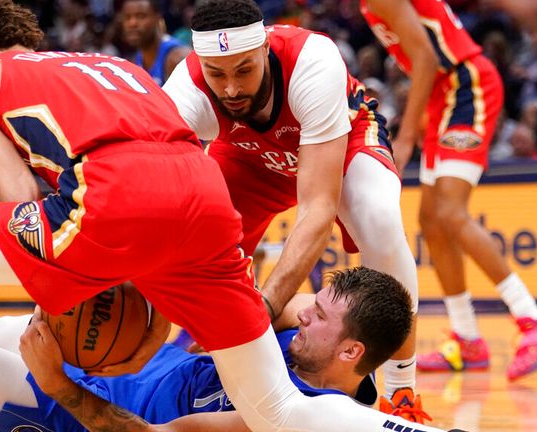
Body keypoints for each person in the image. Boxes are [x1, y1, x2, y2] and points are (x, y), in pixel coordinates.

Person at [0, 1, 449, 431]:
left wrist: (56, 292)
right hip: (203, 194)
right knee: (278, 408)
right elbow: (162, 216)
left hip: (121, 194)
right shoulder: (108, 65)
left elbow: (20, 199)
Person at [161, 0, 426, 421]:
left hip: (342, 142)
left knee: (378, 218)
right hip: (248, 155)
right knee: (181, 236)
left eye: (244, 70)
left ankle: (401, 392)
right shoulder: (182, 92)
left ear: (265, 48)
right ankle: (200, 360)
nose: (230, 89)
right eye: (217, 74)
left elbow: (317, 208)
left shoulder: (312, 60)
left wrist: (263, 310)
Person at [0, 268, 457, 432]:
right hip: (151, 364)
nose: (305, 311)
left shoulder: (293, 417)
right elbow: (255, 291)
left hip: (105, 407)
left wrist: (57, 384)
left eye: (321, 314)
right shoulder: (316, 344)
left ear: (352, 352)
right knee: (8, 327)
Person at [360, 0, 537, 381]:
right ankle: (468, 338)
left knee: (451, 213)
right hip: (443, 96)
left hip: (466, 86)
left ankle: (534, 319)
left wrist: (405, 138)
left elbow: (425, 59)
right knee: (432, 221)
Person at [119, 0, 191, 85]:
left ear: (158, 18)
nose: (132, 23)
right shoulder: (134, 62)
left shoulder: (177, 58)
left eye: (141, 16)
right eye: (127, 17)